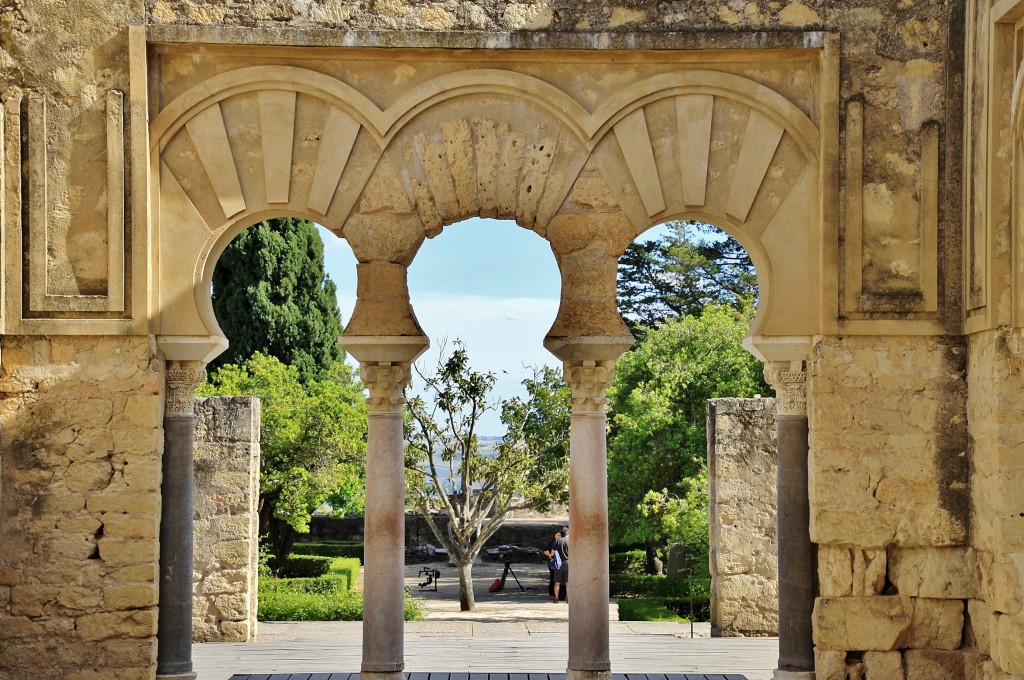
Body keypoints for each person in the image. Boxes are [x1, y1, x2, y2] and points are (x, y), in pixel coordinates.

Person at [544, 526, 569, 603]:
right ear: (567, 533)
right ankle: (568, 598)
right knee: (568, 582)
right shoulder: (571, 541)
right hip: (568, 563)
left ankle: (556, 598)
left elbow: (552, 553)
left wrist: (550, 555)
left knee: (557, 582)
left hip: (559, 564)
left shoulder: (557, 541)